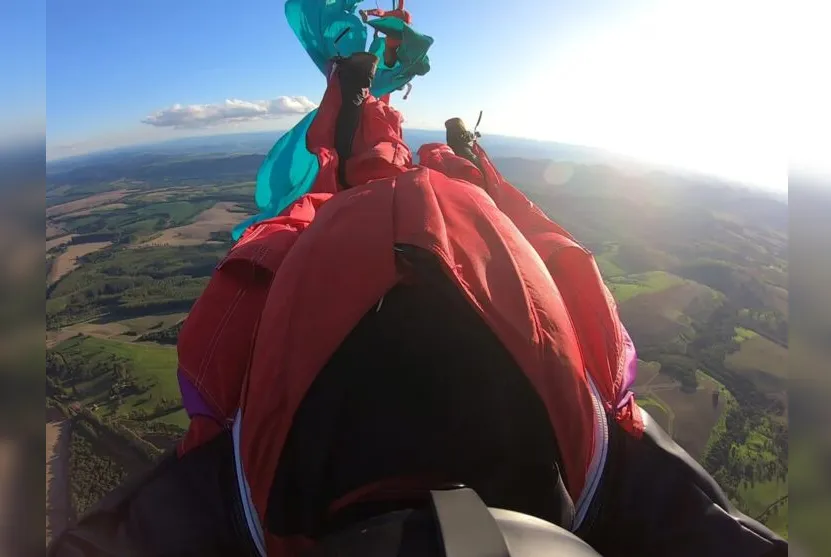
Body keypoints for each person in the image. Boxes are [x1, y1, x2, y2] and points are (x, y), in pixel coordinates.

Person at [47, 53, 788, 557]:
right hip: (451, 251)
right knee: (369, 187)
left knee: (347, 187)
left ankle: (390, 133)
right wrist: (478, 174)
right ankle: (421, 145)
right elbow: (574, 284)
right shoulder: (619, 484)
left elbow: (256, 276)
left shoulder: (234, 504)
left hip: (387, 257)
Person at [359, 0, 412, 69]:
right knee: (383, 14)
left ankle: (367, 13)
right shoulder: (391, 43)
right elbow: (387, 29)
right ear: (390, 57)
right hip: (400, 20)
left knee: (399, 9)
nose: (384, 55)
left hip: (406, 19)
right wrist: (374, 24)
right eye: (386, 57)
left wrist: (376, 31)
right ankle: (367, 12)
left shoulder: (398, 47)